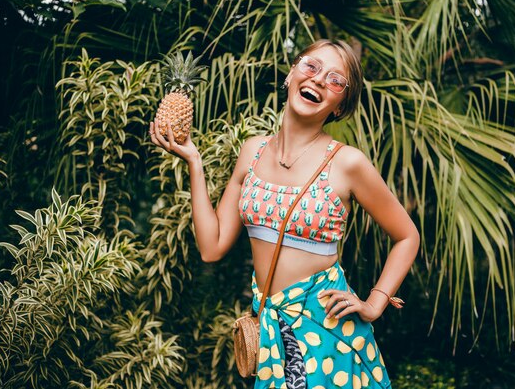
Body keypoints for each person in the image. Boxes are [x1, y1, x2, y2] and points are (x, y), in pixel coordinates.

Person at [149, 39, 420, 389]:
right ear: (292, 74)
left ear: (340, 106)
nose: (320, 80)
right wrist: (194, 162)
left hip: (328, 332)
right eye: (311, 67)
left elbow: (407, 235)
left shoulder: (347, 162)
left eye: (336, 80)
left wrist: (374, 303)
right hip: (271, 330)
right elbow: (211, 247)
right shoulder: (252, 151)